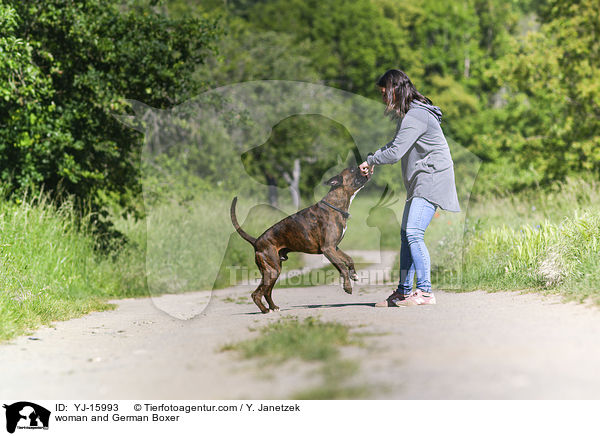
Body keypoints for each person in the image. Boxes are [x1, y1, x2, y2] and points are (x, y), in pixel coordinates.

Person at [359, 69, 460, 307]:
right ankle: (404, 292)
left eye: (384, 93)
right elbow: (395, 144)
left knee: (414, 233)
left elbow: (395, 153)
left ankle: (425, 292)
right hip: (422, 180)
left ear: (395, 89)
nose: (383, 99)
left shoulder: (416, 116)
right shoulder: (413, 115)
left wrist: (371, 160)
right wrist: (374, 157)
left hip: (432, 179)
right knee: (407, 235)